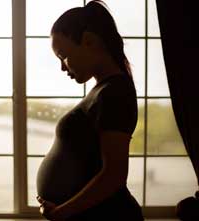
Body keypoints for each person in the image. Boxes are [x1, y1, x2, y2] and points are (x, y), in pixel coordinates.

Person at [35, 1, 144, 220]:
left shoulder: (115, 92)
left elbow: (113, 175)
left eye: (63, 56)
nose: (62, 67)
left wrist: (60, 212)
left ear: (88, 41)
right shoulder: (103, 89)